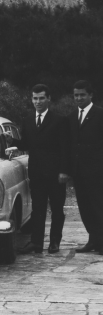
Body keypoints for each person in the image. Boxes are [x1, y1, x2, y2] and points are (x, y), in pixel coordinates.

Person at [5, 84, 70, 254]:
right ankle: (36, 243)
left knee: (57, 209)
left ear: (49, 99)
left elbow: (65, 148)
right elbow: (27, 144)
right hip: (37, 173)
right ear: (31, 99)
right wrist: (12, 141)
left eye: (41, 98)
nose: (38, 102)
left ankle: (54, 242)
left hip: (56, 174)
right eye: (35, 98)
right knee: (38, 209)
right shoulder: (28, 120)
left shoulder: (59, 120)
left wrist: (64, 171)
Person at [68, 80, 103, 255]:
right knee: (85, 207)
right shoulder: (72, 116)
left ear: (90, 95)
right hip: (78, 171)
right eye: (76, 95)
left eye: (82, 95)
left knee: (98, 207)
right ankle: (93, 240)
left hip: (97, 171)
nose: (79, 98)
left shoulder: (100, 114)